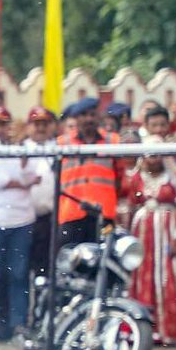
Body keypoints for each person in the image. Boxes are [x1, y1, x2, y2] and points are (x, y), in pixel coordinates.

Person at [0, 108, 38, 343]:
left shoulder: (25, 148)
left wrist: (19, 176)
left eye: (4, 123)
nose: (0, 128)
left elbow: (33, 177)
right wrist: (18, 182)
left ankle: (19, 323)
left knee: (19, 275)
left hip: (22, 219)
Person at [125, 134, 176, 345]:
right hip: (142, 232)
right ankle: (143, 331)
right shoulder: (137, 177)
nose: (154, 158)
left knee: (166, 275)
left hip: (166, 232)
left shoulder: (173, 177)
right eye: (150, 154)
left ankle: (167, 329)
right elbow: (131, 206)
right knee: (143, 276)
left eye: (158, 154)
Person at [58, 97, 122, 247]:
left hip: (103, 214)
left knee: (103, 263)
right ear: (76, 118)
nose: (89, 119)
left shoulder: (112, 141)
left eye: (92, 114)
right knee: (70, 263)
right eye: (84, 115)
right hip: (71, 214)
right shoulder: (62, 143)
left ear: (99, 116)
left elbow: (120, 176)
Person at [23, 107, 61, 286]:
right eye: (36, 124)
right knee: (20, 271)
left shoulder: (59, 149)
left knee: (45, 271)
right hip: (23, 219)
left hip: (49, 218)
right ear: (28, 126)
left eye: (44, 124)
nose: (40, 128)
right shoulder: (21, 149)